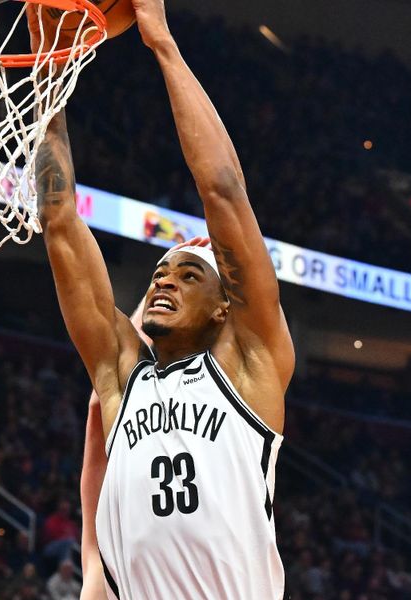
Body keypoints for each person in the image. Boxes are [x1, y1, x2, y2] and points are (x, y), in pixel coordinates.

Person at [30, 0, 295, 596]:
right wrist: (50, 78)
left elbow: (223, 191)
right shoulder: (122, 379)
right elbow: (60, 221)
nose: (163, 280)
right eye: (158, 271)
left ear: (226, 305)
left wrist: (161, 41)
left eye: (188, 275)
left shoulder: (251, 368)